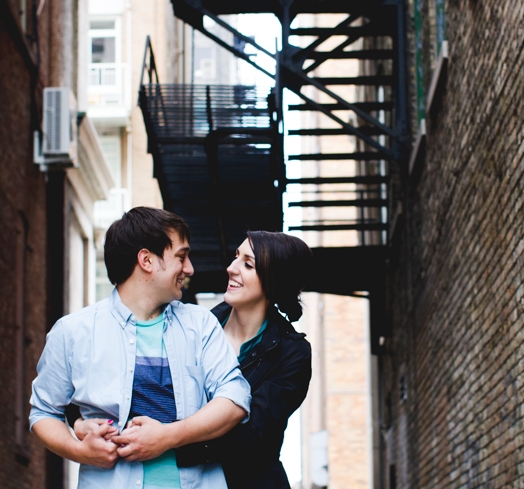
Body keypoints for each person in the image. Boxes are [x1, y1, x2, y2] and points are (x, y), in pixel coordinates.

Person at [29, 207, 251, 489]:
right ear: (146, 260)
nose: (190, 268)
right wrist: (80, 451)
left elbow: (235, 399)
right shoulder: (72, 332)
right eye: (181, 257)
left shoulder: (202, 325)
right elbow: (44, 413)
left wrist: (168, 436)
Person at [77, 231, 313, 489]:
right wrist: (80, 422)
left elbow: (253, 434)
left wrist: (165, 440)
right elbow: (115, 384)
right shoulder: (194, 324)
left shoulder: (293, 353)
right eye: (236, 257)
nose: (231, 268)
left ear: (273, 279)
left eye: (247, 264)